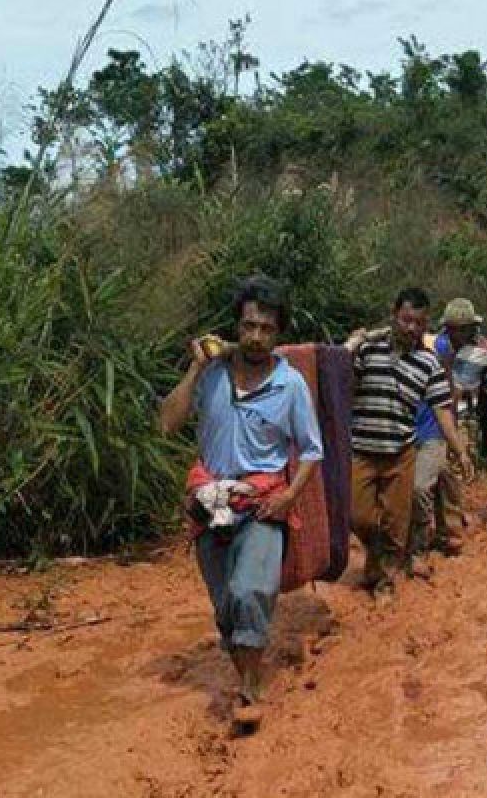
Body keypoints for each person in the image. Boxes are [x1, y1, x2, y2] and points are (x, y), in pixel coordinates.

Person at [158, 275, 323, 733]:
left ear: (278, 334)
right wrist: (193, 369)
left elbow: (311, 450)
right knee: (226, 607)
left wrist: (288, 496)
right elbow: (167, 424)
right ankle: (247, 664)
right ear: (237, 327)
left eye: (266, 329)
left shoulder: (289, 385)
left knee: (249, 589)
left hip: (262, 503)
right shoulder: (210, 375)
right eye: (248, 326)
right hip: (209, 503)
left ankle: (251, 688)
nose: (255, 337)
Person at [344, 287, 470, 606]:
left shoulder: (428, 362)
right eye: (405, 320)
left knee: (397, 523)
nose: (411, 328)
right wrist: (351, 346)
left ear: (427, 323)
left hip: (400, 453)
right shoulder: (368, 349)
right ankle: (377, 558)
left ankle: (385, 582)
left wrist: (460, 450)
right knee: (358, 517)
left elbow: (443, 410)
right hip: (361, 450)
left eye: (418, 322)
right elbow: (341, 382)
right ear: (394, 314)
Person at [409, 298, 485, 565]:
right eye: (462, 328)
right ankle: (434, 536)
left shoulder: (464, 350)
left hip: (444, 422)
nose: (467, 333)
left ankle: (448, 532)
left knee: (447, 477)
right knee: (432, 482)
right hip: (429, 423)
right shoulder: (438, 348)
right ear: (451, 329)